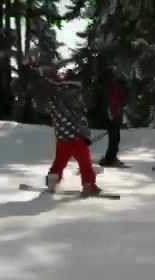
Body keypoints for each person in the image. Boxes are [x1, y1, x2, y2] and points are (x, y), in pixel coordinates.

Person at [25, 57, 102, 196]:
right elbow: (82, 118)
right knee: (85, 164)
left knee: (59, 162)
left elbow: (51, 111)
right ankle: (88, 185)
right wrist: (86, 135)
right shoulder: (77, 96)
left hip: (62, 136)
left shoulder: (55, 97)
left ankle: (52, 182)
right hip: (77, 136)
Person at [99, 67, 128, 167]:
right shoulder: (112, 86)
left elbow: (120, 101)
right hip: (113, 115)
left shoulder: (117, 86)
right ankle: (109, 159)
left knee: (115, 138)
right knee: (114, 138)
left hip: (115, 114)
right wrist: (111, 114)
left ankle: (110, 158)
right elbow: (111, 101)